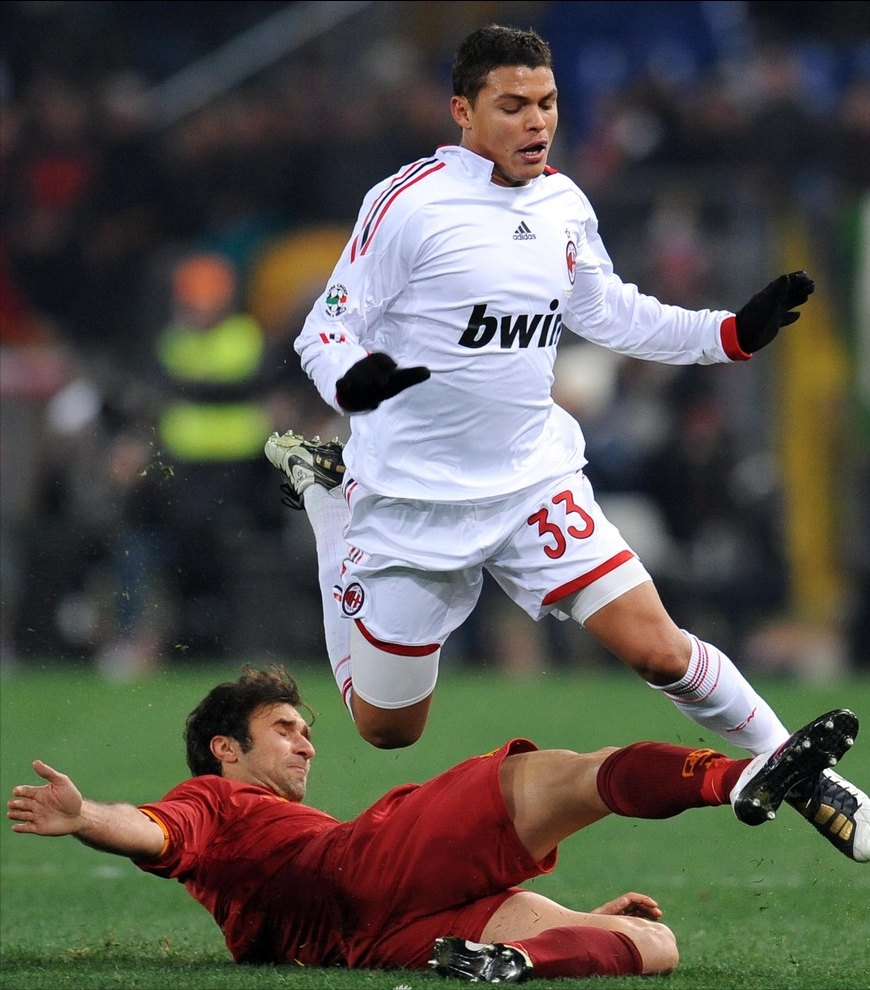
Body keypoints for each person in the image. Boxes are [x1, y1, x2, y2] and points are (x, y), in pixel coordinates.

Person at [262, 25, 870, 863]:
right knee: (388, 728)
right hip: (412, 500)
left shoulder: (562, 204)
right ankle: (330, 508)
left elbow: (609, 311)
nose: (537, 122)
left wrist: (727, 334)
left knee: (658, 648)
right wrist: (350, 382)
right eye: (513, 105)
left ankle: (811, 782)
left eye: (547, 103)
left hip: (532, 482)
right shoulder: (409, 204)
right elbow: (324, 329)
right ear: (463, 111)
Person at [6, 666, 862, 981]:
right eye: (285, 729)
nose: (307, 742)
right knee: (556, 777)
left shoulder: (261, 828)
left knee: (653, 945)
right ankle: (738, 777)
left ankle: (518, 963)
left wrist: (583, 918)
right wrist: (86, 818)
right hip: (363, 866)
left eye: (306, 729)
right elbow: (154, 831)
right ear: (225, 750)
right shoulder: (215, 800)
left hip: (373, 942)